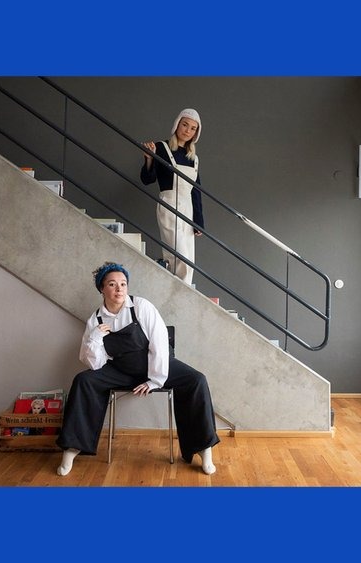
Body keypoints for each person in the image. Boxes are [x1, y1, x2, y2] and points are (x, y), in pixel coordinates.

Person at [56, 261, 220, 476]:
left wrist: (155, 380)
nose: (119, 289)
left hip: (156, 365)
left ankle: (203, 449)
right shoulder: (95, 319)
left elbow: (160, 344)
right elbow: (95, 364)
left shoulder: (142, 306)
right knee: (83, 380)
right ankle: (72, 448)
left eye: (123, 284)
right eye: (112, 284)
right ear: (102, 288)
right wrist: (95, 338)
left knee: (196, 380)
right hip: (120, 370)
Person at [141, 108, 204, 285]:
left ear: (196, 133)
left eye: (193, 128)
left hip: (188, 210)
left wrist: (198, 221)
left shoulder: (194, 158)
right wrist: (149, 159)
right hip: (169, 205)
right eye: (185, 125)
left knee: (189, 260)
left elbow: (196, 191)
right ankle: (179, 293)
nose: (187, 130)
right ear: (177, 124)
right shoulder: (161, 147)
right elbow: (148, 180)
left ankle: (181, 292)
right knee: (178, 256)